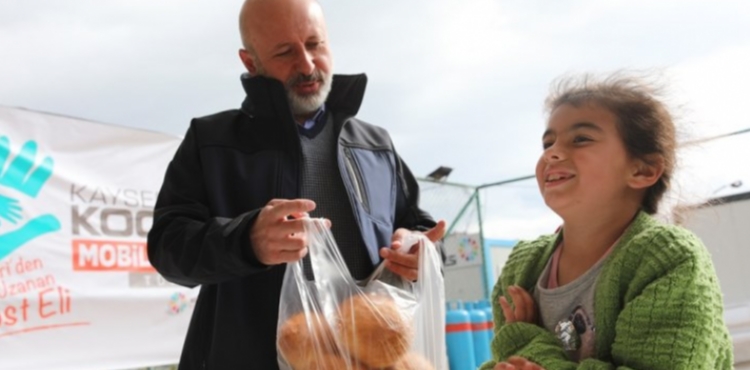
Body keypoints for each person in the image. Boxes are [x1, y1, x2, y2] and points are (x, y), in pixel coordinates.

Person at [146, 0, 445, 368]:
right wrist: (246, 240)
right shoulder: (211, 141)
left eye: (315, 44)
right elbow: (167, 248)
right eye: (285, 52)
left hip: (373, 358)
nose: (306, 65)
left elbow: (421, 230)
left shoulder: (375, 145)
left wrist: (421, 254)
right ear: (250, 62)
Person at [480, 73, 733, 370]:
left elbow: (519, 347)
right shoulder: (523, 266)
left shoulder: (668, 257)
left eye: (581, 139)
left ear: (643, 170)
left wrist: (525, 341)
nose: (552, 153)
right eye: (548, 142)